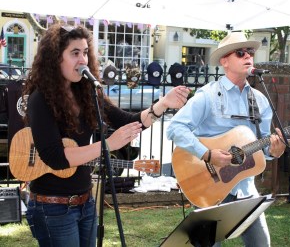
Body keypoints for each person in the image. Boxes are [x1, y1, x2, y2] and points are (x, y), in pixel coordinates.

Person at [22, 23, 190, 247]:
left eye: (84, 52)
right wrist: (107, 144)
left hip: (85, 203)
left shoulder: (88, 93)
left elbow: (129, 121)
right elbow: (55, 157)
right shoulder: (40, 99)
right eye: (74, 53)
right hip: (53, 207)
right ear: (55, 58)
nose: (83, 59)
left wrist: (163, 104)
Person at [167, 32, 286, 246]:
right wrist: (208, 154)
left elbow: (262, 147)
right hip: (209, 187)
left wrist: (274, 150)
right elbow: (175, 127)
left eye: (250, 52)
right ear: (225, 61)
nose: (247, 56)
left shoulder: (259, 100)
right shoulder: (208, 95)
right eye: (240, 53)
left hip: (246, 190)